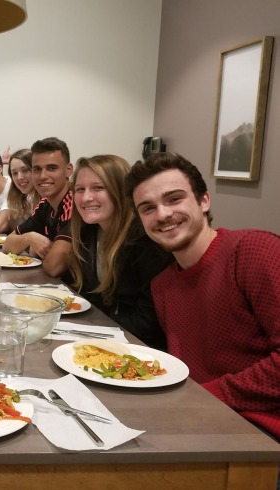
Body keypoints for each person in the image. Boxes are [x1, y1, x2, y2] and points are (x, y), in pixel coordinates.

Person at [126, 152, 280, 444]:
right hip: (198, 422)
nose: (162, 215)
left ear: (204, 201)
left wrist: (209, 396)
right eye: (148, 208)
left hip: (263, 436)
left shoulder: (254, 251)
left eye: (174, 199)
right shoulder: (163, 286)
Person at [66, 155, 173, 351]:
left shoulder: (145, 241)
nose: (86, 197)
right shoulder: (88, 231)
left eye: (98, 188)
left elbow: (148, 324)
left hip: (138, 350)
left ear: (121, 191)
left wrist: (89, 332)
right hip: (100, 336)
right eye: (80, 189)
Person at [3, 137, 73, 277]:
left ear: (68, 170)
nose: (43, 176)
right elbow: (7, 245)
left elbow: (54, 267)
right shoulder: (45, 204)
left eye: (52, 168)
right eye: (37, 169)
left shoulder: (74, 203)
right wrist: (29, 238)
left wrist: (42, 253)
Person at [0, 149, 39, 234]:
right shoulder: (15, 195)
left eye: (25, 170)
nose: (19, 177)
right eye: (14, 173)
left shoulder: (47, 199)